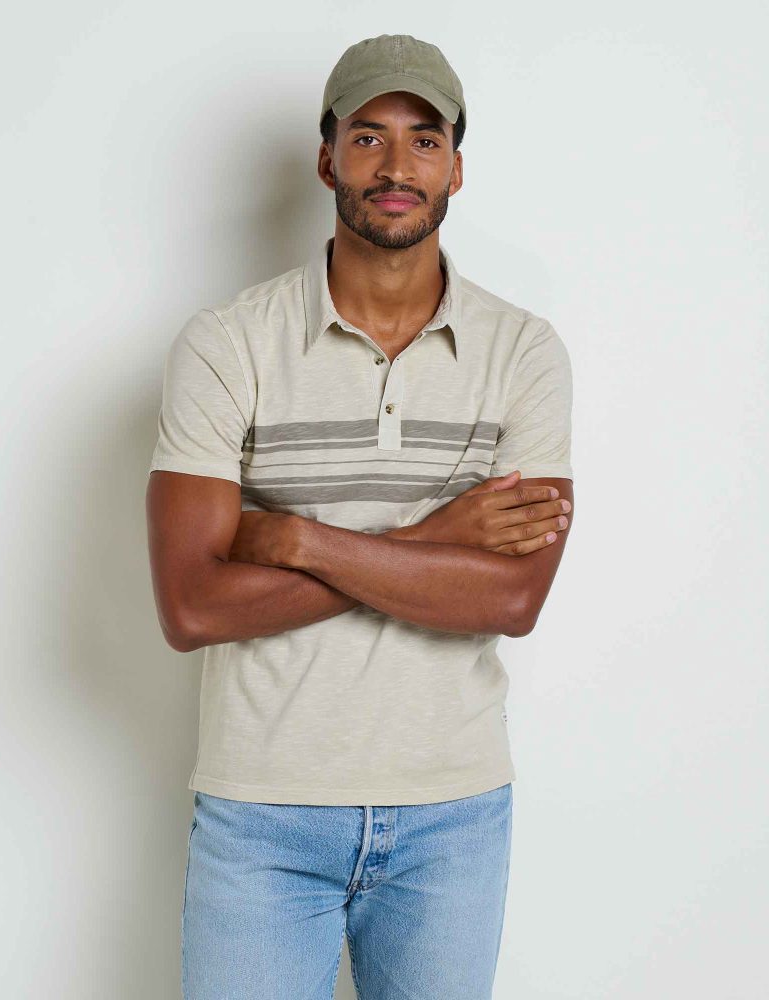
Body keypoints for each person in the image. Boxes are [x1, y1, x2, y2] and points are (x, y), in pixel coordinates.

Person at [146, 32, 574, 1000]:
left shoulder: (522, 351)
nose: (395, 166)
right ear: (326, 157)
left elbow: (510, 598)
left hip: (452, 812)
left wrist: (295, 540)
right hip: (263, 811)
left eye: (424, 141)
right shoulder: (227, 344)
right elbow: (195, 608)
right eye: (368, 136)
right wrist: (437, 540)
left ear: (455, 168)